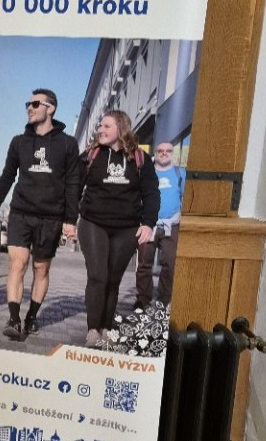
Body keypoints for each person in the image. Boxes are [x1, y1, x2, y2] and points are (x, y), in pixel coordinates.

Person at [0, 89, 80, 339]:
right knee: (17, 263)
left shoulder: (68, 144)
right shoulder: (19, 142)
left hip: (51, 217)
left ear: (51, 108)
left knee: (41, 269)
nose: (29, 107)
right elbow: (8, 175)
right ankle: (14, 319)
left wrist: (70, 220)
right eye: (27, 103)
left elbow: (73, 183)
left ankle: (31, 316)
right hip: (20, 212)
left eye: (35, 103)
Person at [77, 110, 160, 347]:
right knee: (98, 275)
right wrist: (68, 219)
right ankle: (93, 329)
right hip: (93, 222)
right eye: (100, 126)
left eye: (106, 126)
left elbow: (151, 194)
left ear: (121, 128)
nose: (100, 130)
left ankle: (106, 327)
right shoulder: (91, 155)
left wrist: (148, 223)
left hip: (126, 228)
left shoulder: (140, 158)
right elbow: (73, 187)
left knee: (113, 279)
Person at [135, 142, 185, 309]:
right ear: (155, 153)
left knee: (170, 264)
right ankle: (143, 300)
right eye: (160, 150)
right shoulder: (146, 172)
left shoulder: (180, 173)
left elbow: (187, 198)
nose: (164, 153)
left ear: (173, 153)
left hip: (172, 224)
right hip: (148, 224)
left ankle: (163, 301)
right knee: (144, 264)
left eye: (168, 151)